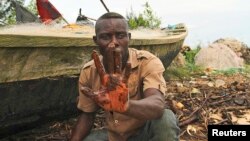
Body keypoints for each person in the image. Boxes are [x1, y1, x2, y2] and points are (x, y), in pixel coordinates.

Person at [70, 12, 180, 141]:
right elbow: (87, 116)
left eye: (120, 36)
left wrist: (125, 106)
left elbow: (157, 105)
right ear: (96, 41)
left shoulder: (147, 62)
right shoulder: (89, 71)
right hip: (115, 137)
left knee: (166, 119)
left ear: (129, 37)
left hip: (145, 133)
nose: (114, 43)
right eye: (105, 37)